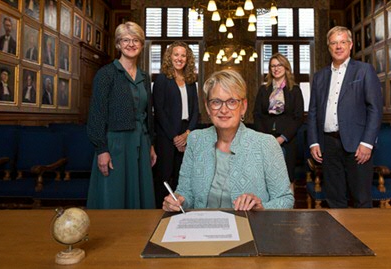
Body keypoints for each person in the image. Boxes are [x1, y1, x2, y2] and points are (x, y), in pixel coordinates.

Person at [163, 69, 294, 212]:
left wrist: (262, 208)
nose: (224, 110)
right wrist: (178, 201)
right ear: (207, 107)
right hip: (202, 228)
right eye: (216, 102)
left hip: (248, 229)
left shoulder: (267, 144)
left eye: (232, 101)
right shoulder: (196, 140)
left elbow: (285, 199)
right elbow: (185, 192)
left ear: (243, 106)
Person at [307, 26, 383, 208]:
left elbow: (375, 109)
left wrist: (367, 143)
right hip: (328, 145)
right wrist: (314, 142)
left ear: (350, 46)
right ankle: (338, 236)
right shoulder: (319, 76)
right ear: (329, 47)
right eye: (334, 43)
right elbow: (313, 111)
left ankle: (362, 236)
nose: (338, 46)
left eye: (342, 42)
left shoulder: (364, 71)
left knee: (361, 198)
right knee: (334, 199)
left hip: (357, 145)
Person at [86, 21, 156, 209]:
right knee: (114, 194)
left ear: (141, 45)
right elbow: (96, 115)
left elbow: (147, 114)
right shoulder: (106, 74)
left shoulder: (144, 76)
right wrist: (102, 149)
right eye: (126, 40)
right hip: (115, 144)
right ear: (118, 44)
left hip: (141, 142)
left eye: (135, 40)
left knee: (140, 193)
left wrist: (150, 145)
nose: (131, 44)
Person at [152, 41, 199, 207]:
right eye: (176, 54)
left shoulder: (191, 81)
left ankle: (180, 208)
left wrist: (187, 134)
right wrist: (175, 137)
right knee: (164, 175)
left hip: (186, 132)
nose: (180, 58)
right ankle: (161, 210)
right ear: (169, 57)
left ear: (188, 59)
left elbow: (195, 112)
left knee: (183, 175)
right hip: (167, 135)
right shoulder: (162, 80)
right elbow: (159, 112)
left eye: (183, 55)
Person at [253, 53, 304, 186]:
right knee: (267, 179)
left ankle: (287, 206)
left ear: (286, 67)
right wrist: (266, 138)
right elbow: (257, 115)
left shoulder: (295, 90)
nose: (276, 68)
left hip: (287, 141)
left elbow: (298, 117)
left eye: (279, 65)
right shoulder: (263, 90)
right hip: (265, 140)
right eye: (272, 66)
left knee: (287, 179)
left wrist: (282, 138)